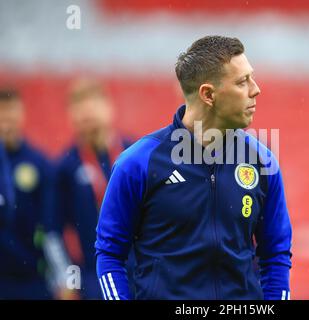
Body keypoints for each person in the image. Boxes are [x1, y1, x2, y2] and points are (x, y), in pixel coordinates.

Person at [95, 35, 293, 300]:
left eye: (252, 78)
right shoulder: (138, 163)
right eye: (242, 81)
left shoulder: (262, 161)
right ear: (208, 94)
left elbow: (276, 254)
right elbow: (109, 254)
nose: (255, 89)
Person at [55, 79, 133, 299]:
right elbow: (54, 232)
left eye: (92, 106)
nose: (86, 115)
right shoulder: (64, 167)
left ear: (109, 108)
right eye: (79, 108)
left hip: (136, 272)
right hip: (91, 277)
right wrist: (69, 283)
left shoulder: (134, 153)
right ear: (71, 116)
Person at [0, 88, 53, 299]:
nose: (7, 123)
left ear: (21, 116)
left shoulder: (39, 163)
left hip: (32, 278)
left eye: (12, 116)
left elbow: (51, 224)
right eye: (2, 117)